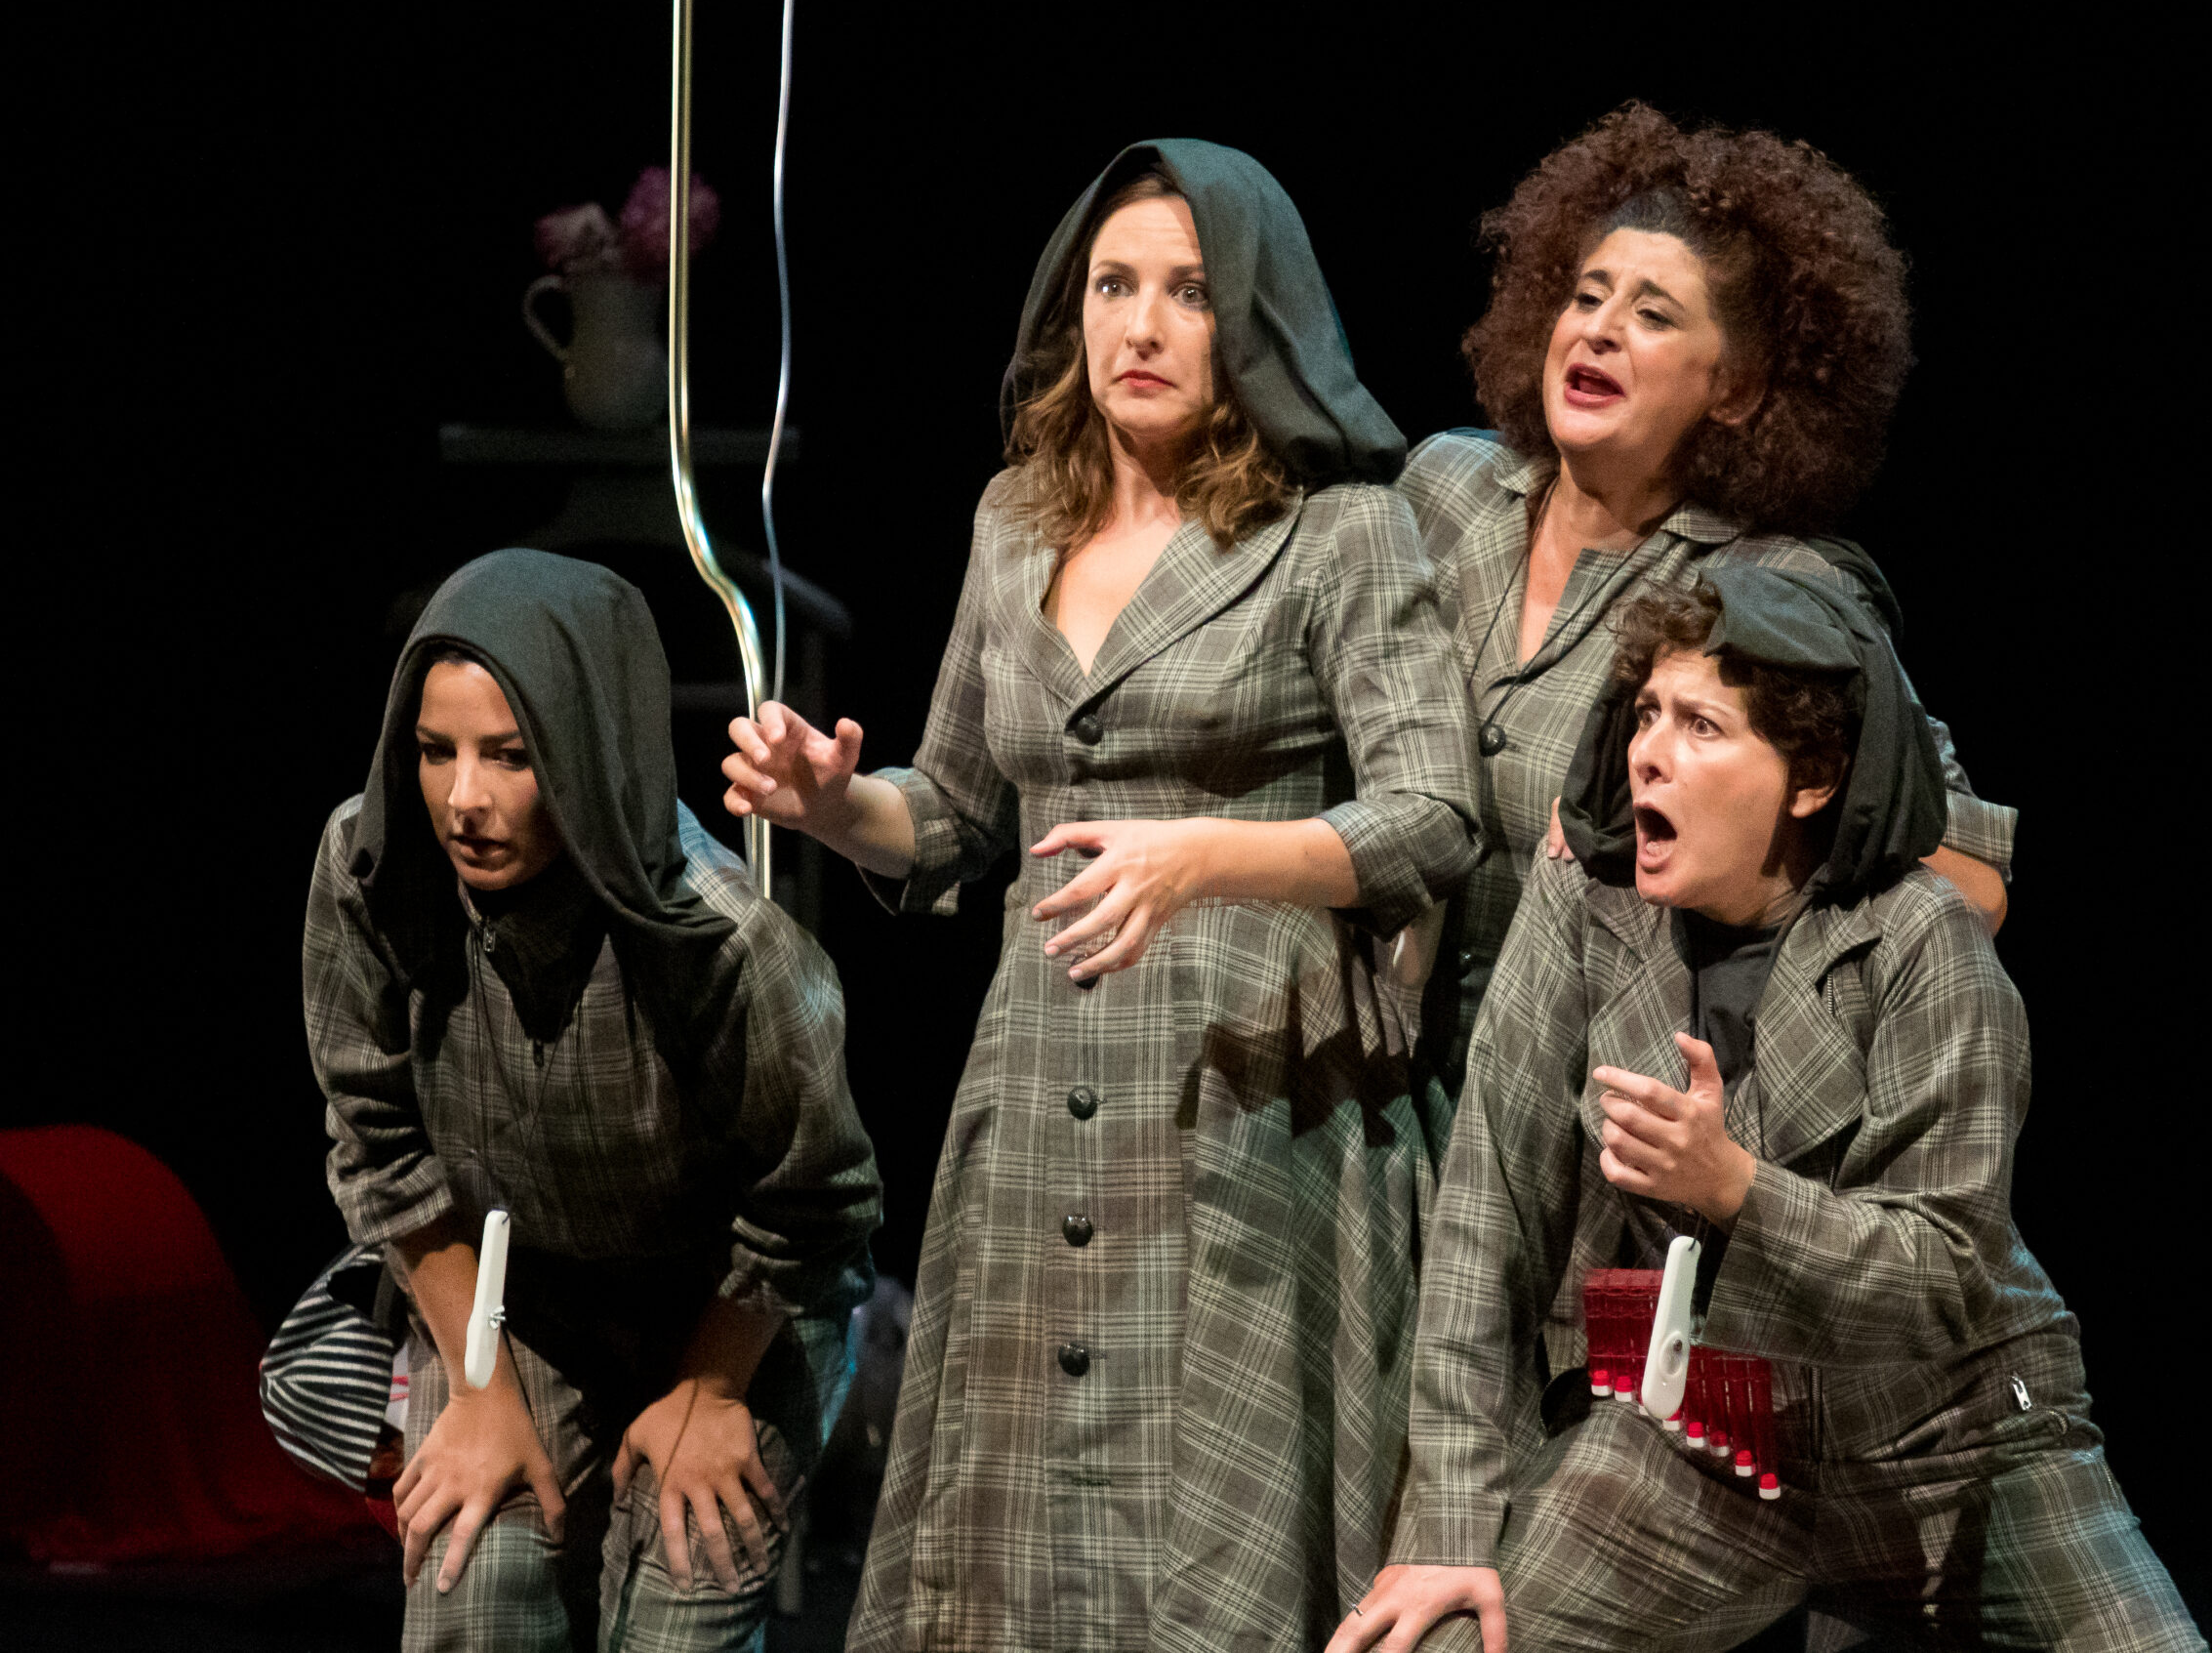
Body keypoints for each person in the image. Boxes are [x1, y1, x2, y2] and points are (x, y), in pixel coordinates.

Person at [720, 142, 1480, 1651]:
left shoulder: (1336, 529)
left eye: (1188, 291)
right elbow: (951, 816)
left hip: (1255, 1088)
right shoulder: (1018, 521)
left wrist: (1204, 857)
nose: (1141, 324)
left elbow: (1436, 814)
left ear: (1253, 316)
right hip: (1041, 1076)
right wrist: (832, 805)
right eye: (1113, 286)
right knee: (1024, 1544)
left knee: (1210, 1545)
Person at [1333, 566, 2202, 1651]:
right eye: (1646, 714)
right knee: (1451, 1637)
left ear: (1813, 778)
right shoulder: (1589, 905)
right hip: (1708, 1434)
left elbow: (1941, 1277)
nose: (1648, 753)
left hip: (1956, 1442)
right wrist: (1449, 1526)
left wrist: (1735, 1189)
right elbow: (1487, 1218)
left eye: (1700, 726)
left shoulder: (1920, 940)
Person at [307, 549, 881, 1652]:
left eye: (511, 755)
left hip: (732, 1306)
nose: (463, 800)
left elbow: (817, 1204)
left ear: (591, 745)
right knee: (475, 1582)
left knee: (682, 1587)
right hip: (513, 1300)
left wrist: (712, 1390)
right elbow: (376, 1143)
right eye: (434, 751)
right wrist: (477, 1383)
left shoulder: (722, 943)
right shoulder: (374, 871)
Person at [1394, 103, 2017, 1114]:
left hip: (1591, 1124)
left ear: (1735, 388)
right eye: (1586, 295)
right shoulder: (1439, 491)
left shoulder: (1776, 589)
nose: (1597, 328)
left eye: (1652, 315)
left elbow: (1970, 886)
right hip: (1369, 1108)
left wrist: (1725, 840)